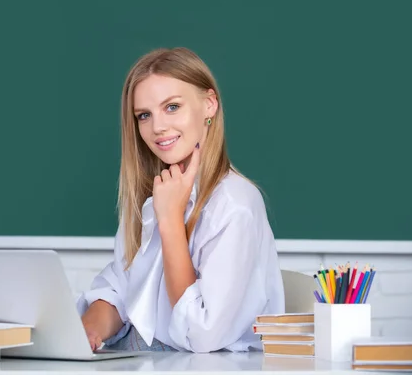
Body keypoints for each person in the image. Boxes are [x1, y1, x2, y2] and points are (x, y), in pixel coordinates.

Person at [75, 47, 285, 353]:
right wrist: (86, 331)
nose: (157, 127)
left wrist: (171, 221)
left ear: (210, 105)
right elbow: (120, 289)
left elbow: (200, 334)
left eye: (172, 107)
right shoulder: (153, 197)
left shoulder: (235, 205)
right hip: (143, 358)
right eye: (144, 115)